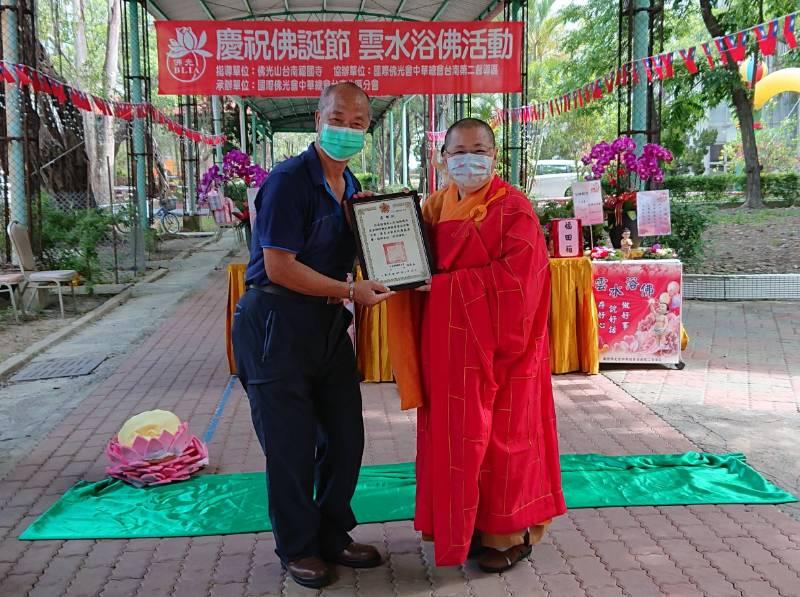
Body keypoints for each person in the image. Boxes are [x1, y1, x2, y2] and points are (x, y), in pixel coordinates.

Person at [231, 82, 393, 589]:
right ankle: (298, 547)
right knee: (291, 447)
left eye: (357, 121)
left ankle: (332, 534)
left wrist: (379, 229)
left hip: (325, 326)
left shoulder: (350, 186)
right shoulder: (289, 181)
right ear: (319, 119)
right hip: (276, 324)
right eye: (337, 117)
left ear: (367, 128)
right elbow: (278, 268)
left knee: (346, 437)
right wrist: (350, 289)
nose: (346, 129)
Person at [388, 118, 566, 571]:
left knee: (502, 441)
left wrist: (447, 289)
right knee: (451, 440)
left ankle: (507, 534)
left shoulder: (514, 208)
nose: (470, 159)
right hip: (447, 348)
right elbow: (408, 260)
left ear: (494, 156)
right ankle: (459, 529)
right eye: (460, 150)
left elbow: (522, 284)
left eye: (480, 149)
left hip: (504, 350)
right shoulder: (431, 207)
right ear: (443, 158)